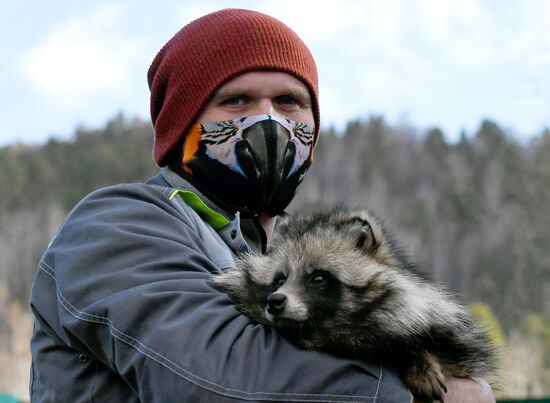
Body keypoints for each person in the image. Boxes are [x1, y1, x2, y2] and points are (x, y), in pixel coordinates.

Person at [29, 9, 495, 403]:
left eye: (290, 102)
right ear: (183, 126)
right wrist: (427, 391)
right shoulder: (118, 224)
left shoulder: (289, 253)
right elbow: (220, 379)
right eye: (237, 101)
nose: (268, 121)